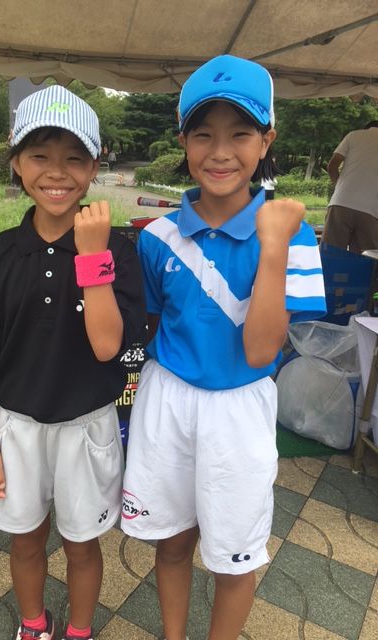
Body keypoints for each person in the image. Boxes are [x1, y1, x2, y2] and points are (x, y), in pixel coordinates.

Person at [121, 54, 327, 640]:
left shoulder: (293, 234)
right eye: (203, 134)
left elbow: (262, 352)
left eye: (240, 133)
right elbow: (151, 325)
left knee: (235, 557)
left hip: (240, 407)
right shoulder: (157, 237)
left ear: (266, 141)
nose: (220, 151)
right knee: (172, 543)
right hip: (167, 399)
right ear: (183, 141)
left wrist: (272, 244)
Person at [0, 85, 146, 640]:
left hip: (87, 424)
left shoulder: (117, 250)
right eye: (40, 155)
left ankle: (79, 631)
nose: (57, 172)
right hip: (15, 426)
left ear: (94, 168)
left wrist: (93, 257)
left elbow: (108, 347)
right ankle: (34, 626)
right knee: (25, 539)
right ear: (16, 162)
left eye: (74, 158)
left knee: (83, 545)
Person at [321, 121, 378, 253]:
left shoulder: (353, 135)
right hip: (371, 211)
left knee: (331, 253)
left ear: (366, 129)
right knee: (366, 257)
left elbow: (332, 166)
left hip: (341, 203)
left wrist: (339, 187)